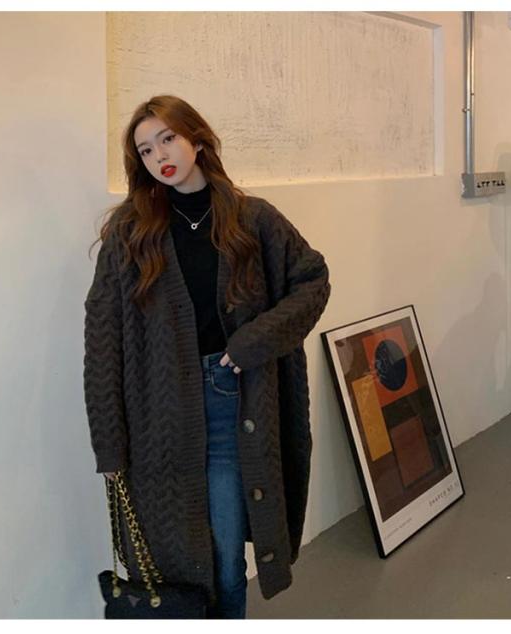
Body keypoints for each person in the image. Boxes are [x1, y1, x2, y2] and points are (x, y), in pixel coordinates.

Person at [83, 95, 331, 619]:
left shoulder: (253, 219)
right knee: (175, 563)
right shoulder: (130, 232)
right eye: (145, 150)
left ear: (196, 139)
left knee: (224, 560)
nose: (159, 156)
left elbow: (312, 281)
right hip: (156, 419)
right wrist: (109, 444)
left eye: (168, 138)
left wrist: (251, 343)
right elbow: (101, 336)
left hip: (228, 405)